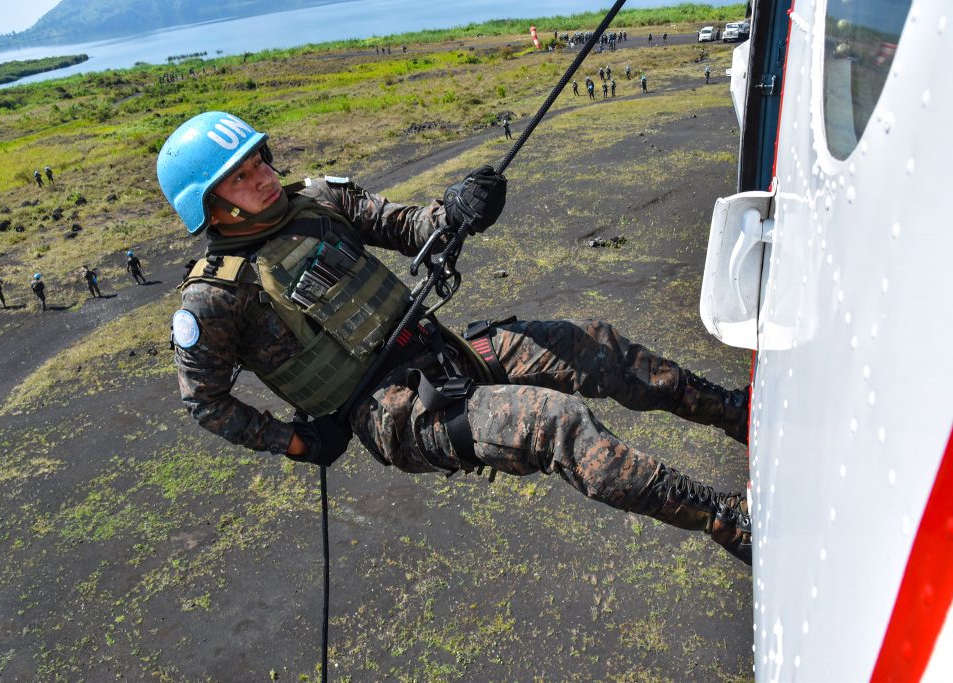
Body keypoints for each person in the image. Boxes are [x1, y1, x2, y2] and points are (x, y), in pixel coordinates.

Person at [155, 111, 753, 565]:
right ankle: (724, 519)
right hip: (398, 413)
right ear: (209, 204)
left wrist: (458, 210)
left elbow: (407, 225)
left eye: (259, 160)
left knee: (589, 345)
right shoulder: (215, 297)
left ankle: (733, 413)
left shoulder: (318, 200)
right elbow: (204, 401)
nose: (262, 178)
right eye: (240, 177)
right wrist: (295, 442)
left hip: (443, 353)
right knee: (555, 423)